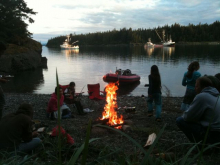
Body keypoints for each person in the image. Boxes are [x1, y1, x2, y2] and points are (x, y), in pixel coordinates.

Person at [176, 77, 220, 145]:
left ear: (204, 87)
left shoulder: (202, 96)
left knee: (180, 120)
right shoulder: (217, 96)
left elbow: (187, 117)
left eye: (196, 86)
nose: (195, 88)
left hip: (213, 134)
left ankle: (201, 145)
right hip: (217, 133)